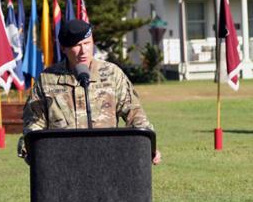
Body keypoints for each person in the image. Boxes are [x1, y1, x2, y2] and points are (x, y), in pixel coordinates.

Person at [18, 19, 161, 165]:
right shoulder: (47, 79)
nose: (83, 51)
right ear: (63, 48)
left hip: (107, 160)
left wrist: (148, 144)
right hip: (62, 162)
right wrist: (30, 147)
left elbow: (135, 113)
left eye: (87, 43)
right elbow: (34, 123)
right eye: (77, 45)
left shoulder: (111, 74)